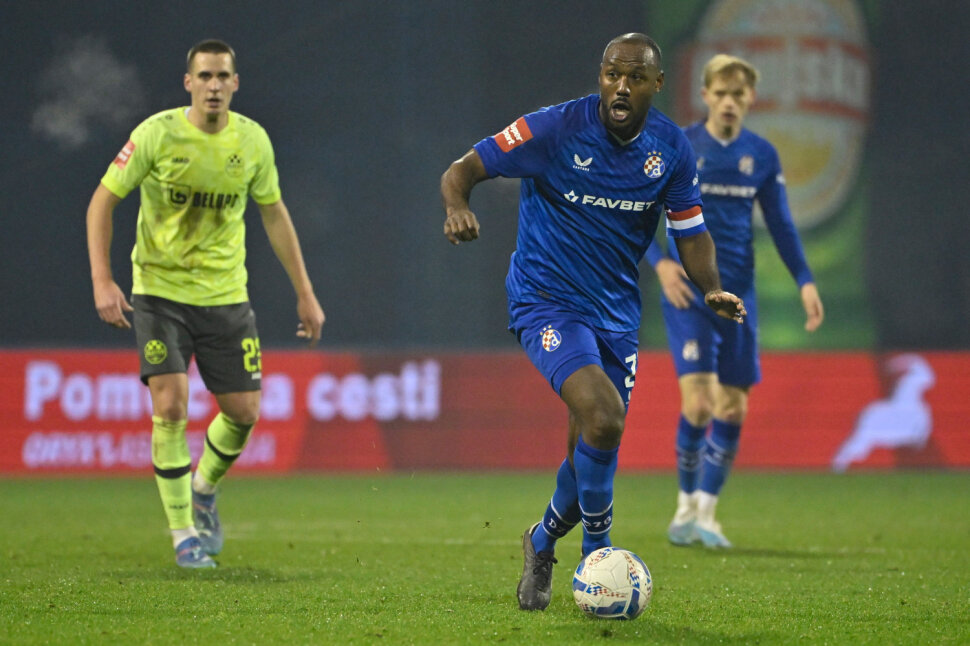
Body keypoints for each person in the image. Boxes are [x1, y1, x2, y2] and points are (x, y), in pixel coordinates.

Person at [440, 33, 745, 610]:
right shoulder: (553, 129)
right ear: (600, 76)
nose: (620, 87)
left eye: (635, 77)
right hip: (546, 301)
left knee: (588, 455)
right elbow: (463, 169)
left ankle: (541, 541)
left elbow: (691, 231)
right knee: (604, 419)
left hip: (615, 315)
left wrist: (711, 287)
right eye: (611, 75)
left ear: (657, 84)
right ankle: (598, 557)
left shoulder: (671, 149)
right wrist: (457, 207)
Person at [86, 39, 325, 568]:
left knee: (244, 413)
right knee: (170, 406)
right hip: (159, 292)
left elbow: (274, 213)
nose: (213, 86)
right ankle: (183, 537)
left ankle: (203, 489)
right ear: (188, 82)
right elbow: (102, 200)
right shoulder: (156, 134)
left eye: (222, 76)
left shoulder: (253, 141)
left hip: (224, 296)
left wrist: (305, 293)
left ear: (235, 84)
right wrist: (103, 280)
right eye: (205, 76)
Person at [644, 54, 824, 549]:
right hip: (690, 294)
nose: (728, 102)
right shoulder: (680, 145)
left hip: (738, 296)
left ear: (750, 100)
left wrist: (805, 280)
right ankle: (684, 505)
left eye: (737, 95)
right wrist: (661, 264)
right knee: (700, 404)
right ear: (705, 96)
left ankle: (706, 512)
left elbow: (781, 223)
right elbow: (639, 211)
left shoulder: (760, 155)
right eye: (720, 93)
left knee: (734, 408)